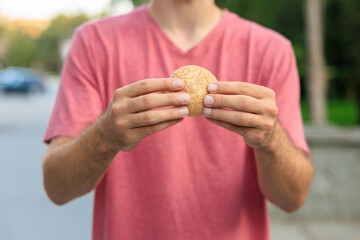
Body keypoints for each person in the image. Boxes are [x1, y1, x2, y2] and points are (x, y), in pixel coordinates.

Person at [42, 0, 314, 239]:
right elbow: (57, 187)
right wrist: (106, 135)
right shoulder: (94, 42)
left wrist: (272, 139)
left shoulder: (271, 50)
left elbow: (294, 197)